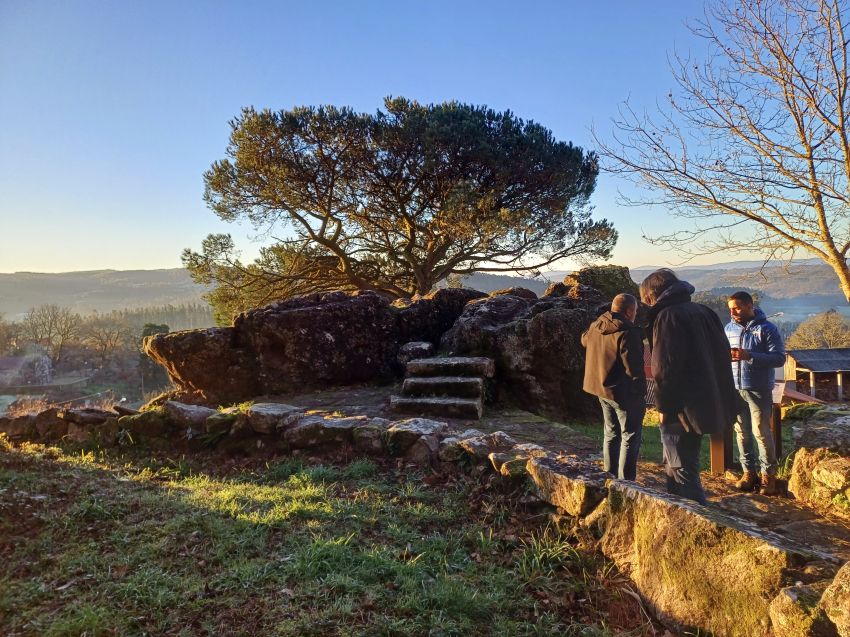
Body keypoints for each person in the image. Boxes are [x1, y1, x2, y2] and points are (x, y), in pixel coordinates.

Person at [640, 269, 737, 505]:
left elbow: (666, 367)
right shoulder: (704, 312)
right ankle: (677, 510)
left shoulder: (667, 317)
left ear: (652, 295)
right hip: (706, 400)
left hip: (680, 408)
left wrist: (664, 408)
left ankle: (697, 520)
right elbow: (723, 355)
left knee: (680, 467)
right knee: (681, 462)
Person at [725, 291, 786, 496]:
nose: (733, 312)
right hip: (734, 388)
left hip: (759, 388)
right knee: (741, 433)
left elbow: (778, 359)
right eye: (730, 309)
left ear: (751, 306)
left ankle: (768, 476)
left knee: (761, 432)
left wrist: (749, 356)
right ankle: (748, 473)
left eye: (737, 308)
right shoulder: (729, 328)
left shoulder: (767, 329)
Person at [581, 293, 646, 480]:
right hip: (623, 393)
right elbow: (634, 368)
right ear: (629, 311)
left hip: (601, 389)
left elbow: (584, 340)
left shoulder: (597, 325)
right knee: (630, 436)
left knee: (610, 432)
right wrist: (640, 393)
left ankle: (609, 476)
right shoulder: (628, 332)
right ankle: (626, 484)